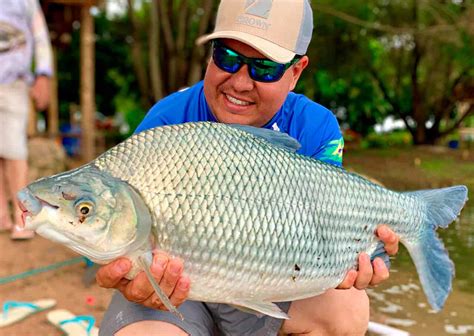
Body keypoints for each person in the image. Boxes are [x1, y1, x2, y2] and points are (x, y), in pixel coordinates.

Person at [97, 0, 400, 335]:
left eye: (264, 68)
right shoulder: (166, 121)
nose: (240, 83)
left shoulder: (316, 128)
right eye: (227, 58)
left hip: (265, 276)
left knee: (347, 307)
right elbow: (114, 231)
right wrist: (127, 276)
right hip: (175, 288)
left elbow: (325, 229)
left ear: (296, 72)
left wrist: (362, 251)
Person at [0, 0, 53, 240]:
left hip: (15, 81)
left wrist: (43, 74)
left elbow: (40, 36)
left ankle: (23, 217)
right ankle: (1, 215)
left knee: (14, 149)